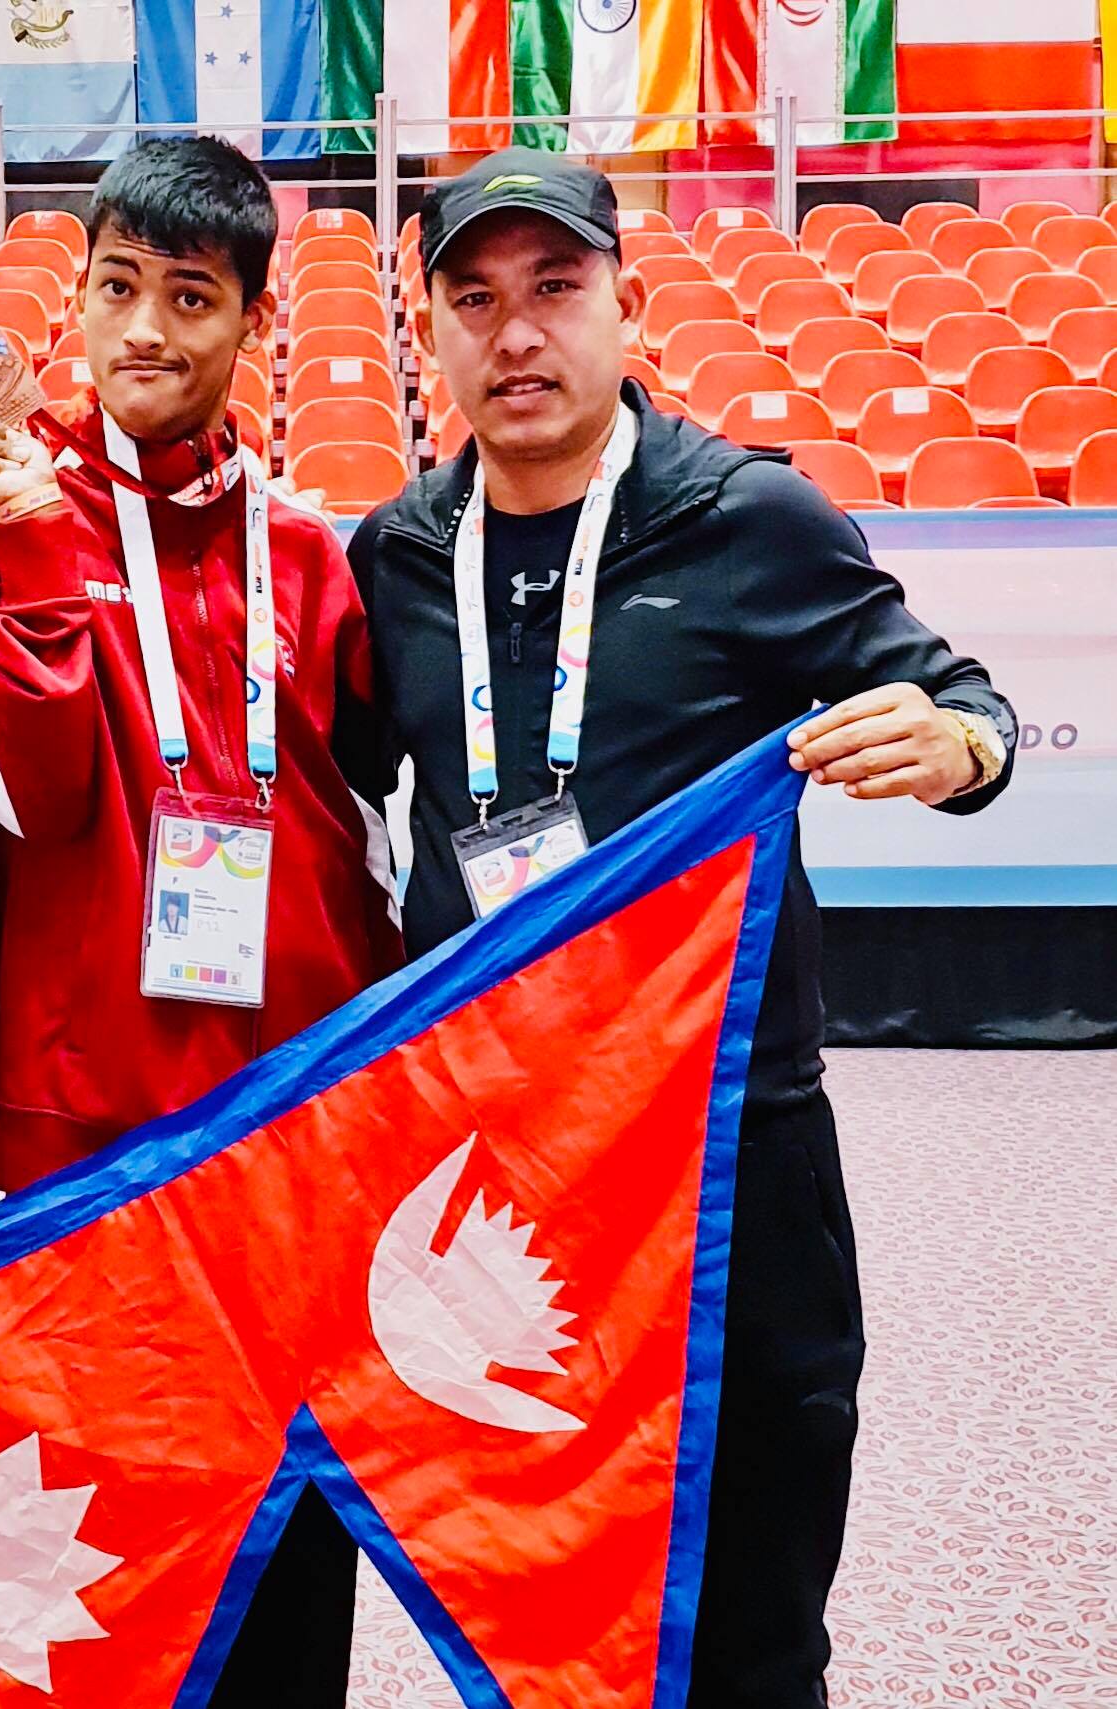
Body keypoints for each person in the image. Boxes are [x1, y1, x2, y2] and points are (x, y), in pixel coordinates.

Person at [348, 151, 1015, 1709]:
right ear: (430, 332)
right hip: (499, 1178)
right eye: (473, 300)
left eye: (553, 288)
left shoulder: (749, 519)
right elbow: (333, 796)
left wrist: (954, 745)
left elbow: (958, 697)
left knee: (752, 1601)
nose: (516, 333)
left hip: (725, 1156)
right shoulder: (396, 555)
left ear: (624, 303)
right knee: (539, 1597)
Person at [0, 136, 404, 1708]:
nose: (143, 328)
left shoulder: (310, 553)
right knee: (108, 1561)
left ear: (252, 321)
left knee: (291, 1541)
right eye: (116, 286)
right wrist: (38, 545)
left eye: (189, 296)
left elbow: (373, 835)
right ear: (75, 298)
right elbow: (34, 796)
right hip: (91, 1134)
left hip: (292, 1135)